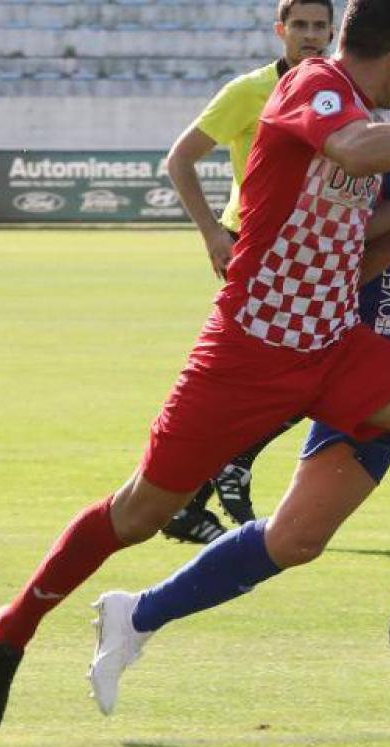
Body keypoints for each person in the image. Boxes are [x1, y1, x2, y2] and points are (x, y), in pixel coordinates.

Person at [0, 0, 390, 734]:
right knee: (139, 514)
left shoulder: (365, 117)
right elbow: (353, 150)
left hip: (331, 347)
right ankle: (9, 631)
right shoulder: (314, 85)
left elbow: (351, 248)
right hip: (247, 354)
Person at [161, 0, 337, 543]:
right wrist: (214, 232)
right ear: (281, 31)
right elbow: (180, 158)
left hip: (316, 253)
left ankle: (197, 492)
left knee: (288, 375)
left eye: (319, 27)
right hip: (257, 249)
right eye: (300, 26)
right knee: (303, 371)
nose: (310, 36)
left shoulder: (340, 90)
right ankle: (211, 477)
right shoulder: (249, 91)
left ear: (334, 32)